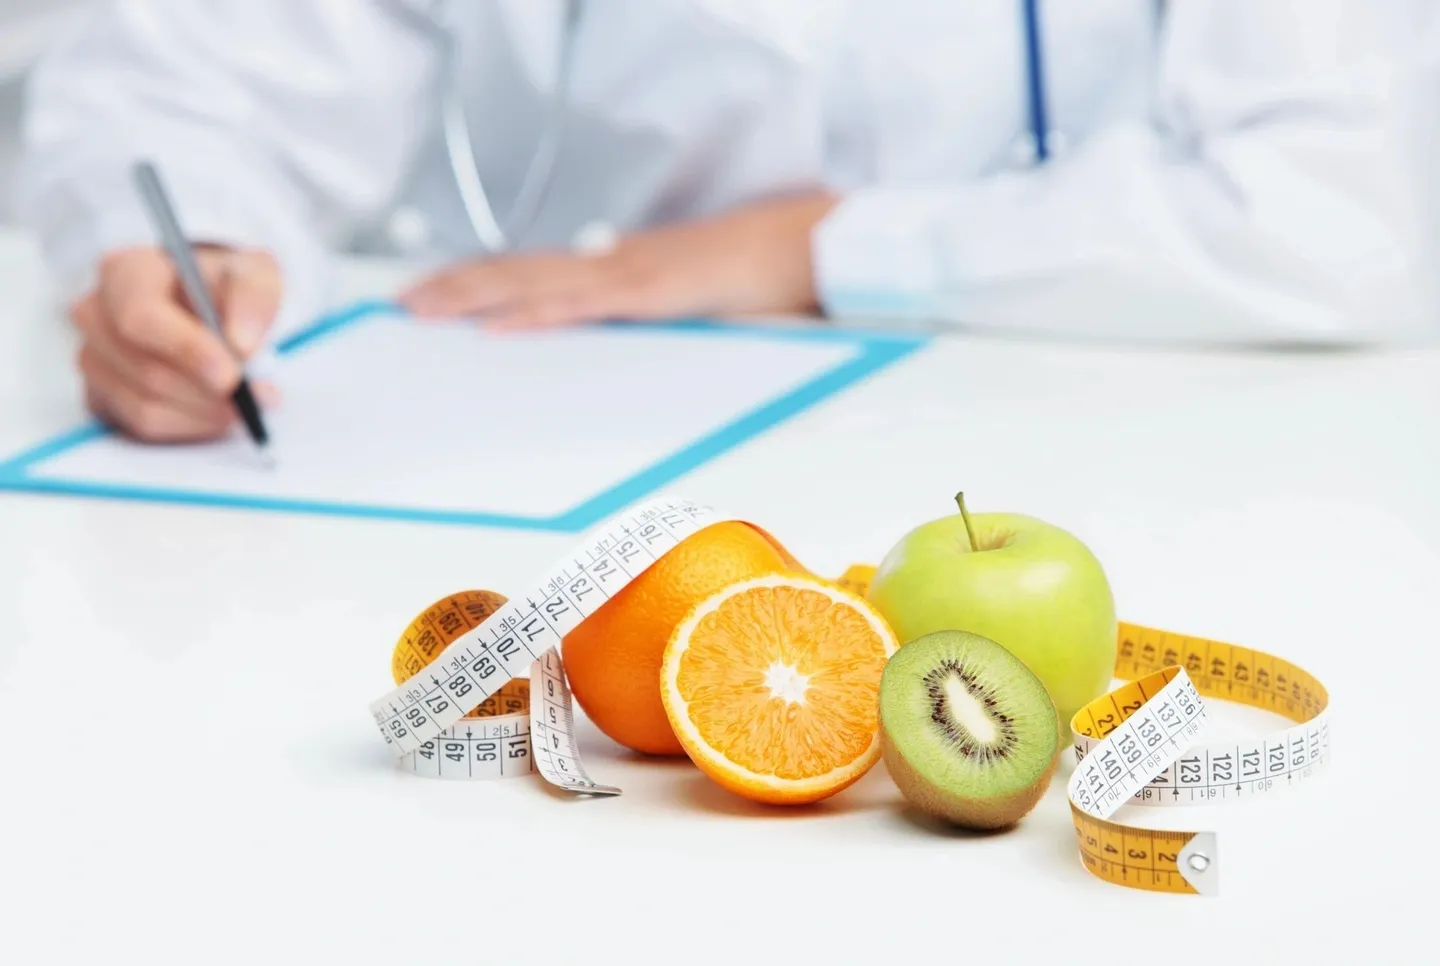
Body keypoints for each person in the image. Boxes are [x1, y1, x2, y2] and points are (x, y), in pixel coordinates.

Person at [14, 0, 1440, 443]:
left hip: (1073, 439)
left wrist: (811, 246)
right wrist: (184, 247)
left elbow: (1345, 214)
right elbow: (173, 73)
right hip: (520, 456)